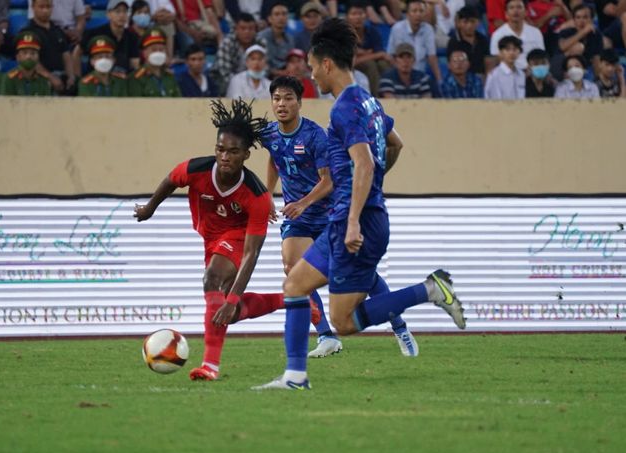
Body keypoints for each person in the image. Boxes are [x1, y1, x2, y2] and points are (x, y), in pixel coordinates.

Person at [254, 18, 466, 390]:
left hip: (357, 222)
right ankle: (295, 377)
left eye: (313, 67)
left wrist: (354, 217)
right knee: (294, 284)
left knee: (345, 322)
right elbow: (394, 145)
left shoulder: (344, 108)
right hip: (350, 217)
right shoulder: (368, 101)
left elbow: (365, 162)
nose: (311, 75)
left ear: (327, 64)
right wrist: (372, 189)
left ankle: (431, 290)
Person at [264, 75, 420, 358]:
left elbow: (330, 181)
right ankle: (325, 336)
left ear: (299, 103)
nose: (282, 104)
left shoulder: (316, 136)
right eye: (277, 98)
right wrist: (267, 194)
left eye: (288, 98)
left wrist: (303, 202)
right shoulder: (270, 134)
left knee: (365, 277)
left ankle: (399, 325)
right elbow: (274, 159)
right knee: (292, 269)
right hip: (299, 218)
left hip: (328, 212)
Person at [134, 99, 290, 381]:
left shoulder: (256, 195)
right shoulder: (196, 169)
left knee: (212, 282)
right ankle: (291, 300)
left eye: (233, 151)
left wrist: (233, 296)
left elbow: (251, 254)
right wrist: (149, 208)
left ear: (245, 155)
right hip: (210, 238)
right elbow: (171, 180)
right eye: (220, 149)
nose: (225, 157)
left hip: (238, 238)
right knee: (227, 312)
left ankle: (210, 366)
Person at [24, 0, 76, 94]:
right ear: (33, 7)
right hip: (39, 78)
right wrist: (50, 77)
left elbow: (66, 55)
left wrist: (71, 76)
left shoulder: (57, 31)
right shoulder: (28, 33)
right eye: (41, 7)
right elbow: (31, 60)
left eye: (48, 7)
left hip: (61, 76)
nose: (45, 10)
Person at [76, 0, 140, 76]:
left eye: (125, 11)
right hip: (97, 79)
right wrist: (77, 77)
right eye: (117, 11)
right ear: (108, 14)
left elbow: (134, 63)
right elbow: (77, 53)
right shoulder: (94, 33)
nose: (122, 15)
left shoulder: (132, 36)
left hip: (123, 80)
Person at [386, 0, 442, 83]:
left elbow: (432, 57)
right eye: (414, 11)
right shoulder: (398, 28)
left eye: (421, 11)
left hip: (420, 75)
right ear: (407, 14)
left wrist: (439, 79)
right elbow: (392, 56)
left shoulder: (428, 29)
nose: (418, 14)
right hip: (401, 73)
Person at [210, 13, 265, 95]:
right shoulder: (227, 43)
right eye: (243, 28)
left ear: (255, 30)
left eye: (251, 29)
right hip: (224, 81)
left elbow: (265, 68)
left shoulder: (260, 42)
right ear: (236, 29)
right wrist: (243, 86)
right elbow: (225, 73)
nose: (247, 32)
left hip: (253, 80)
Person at [347, 0, 392, 97]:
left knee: (384, 64)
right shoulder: (344, 34)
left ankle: (389, 95)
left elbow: (381, 53)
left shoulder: (372, 32)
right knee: (370, 65)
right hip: (349, 68)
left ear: (366, 16)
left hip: (368, 62)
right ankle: (375, 98)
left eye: (361, 14)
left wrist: (363, 53)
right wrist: (374, 54)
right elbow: (351, 61)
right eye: (354, 14)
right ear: (347, 17)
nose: (358, 17)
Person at [490, 0, 545, 70]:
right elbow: (496, 59)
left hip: (532, 73)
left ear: (526, 12)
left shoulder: (536, 32)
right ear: (506, 14)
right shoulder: (497, 34)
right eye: (511, 8)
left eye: (519, 7)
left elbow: (541, 56)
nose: (515, 11)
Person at [128, 27, 181, 97]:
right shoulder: (136, 78)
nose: (158, 53)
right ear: (144, 53)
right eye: (154, 50)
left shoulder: (170, 77)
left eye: (161, 49)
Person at [0, 31, 52, 96]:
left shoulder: (43, 80)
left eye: (33, 53)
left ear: (38, 57)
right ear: (18, 57)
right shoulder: (9, 78)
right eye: (25, 53)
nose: (29, 56)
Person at [446, 6, 492, 77]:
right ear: (459, 23)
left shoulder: (483, 40)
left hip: (481, 78)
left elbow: (488, 63)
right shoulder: (453, 42)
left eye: (472, 21)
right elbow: (453, 67)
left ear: (478, 22)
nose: (469, 25)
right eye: (465, 22)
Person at [257, 1, 295, 77]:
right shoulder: (261, 37)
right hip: (265, 77)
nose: (281, 17)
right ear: (270, 19)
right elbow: (258, 63)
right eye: (277, 14)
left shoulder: (290, 39)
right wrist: (278, 73)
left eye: (284, 14)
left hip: (286, 77)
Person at [485, 35, 525, 99]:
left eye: (515, 49)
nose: (511, 53)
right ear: (501, 52)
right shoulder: (495, 75)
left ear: (519, 52)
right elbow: (494, 101)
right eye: (507, 49)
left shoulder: (521, 74)